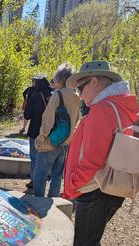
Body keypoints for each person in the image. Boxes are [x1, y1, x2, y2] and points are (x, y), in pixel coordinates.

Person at [60, 61, 139, 246]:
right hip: (111, 186)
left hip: (94, 188)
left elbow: (92, 160)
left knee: (83, 244)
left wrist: (71, 186)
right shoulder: (118, 105)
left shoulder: (103, 109)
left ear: (95, 81)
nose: (79, 94)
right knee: (92, 238)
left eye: (81, 87)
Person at [34, 64, 81, 198]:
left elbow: (48, 117)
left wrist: (42, 136)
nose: (53, 80)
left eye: (55, 77)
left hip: (51, 141)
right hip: (66, 142)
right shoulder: (76, 96)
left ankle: (38, 201)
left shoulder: (58, 94)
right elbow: (76, 119)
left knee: (40, 174)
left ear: (61, 79)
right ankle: (53, 200)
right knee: (57, 175)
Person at [23, 76, 52, 191]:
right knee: (47, 156)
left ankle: (35, 181)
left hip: (35, 131)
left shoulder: (35, 96)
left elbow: (26, 115)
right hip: (50, 131)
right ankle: (45, 178)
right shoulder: (55, 95)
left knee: (35, 157)